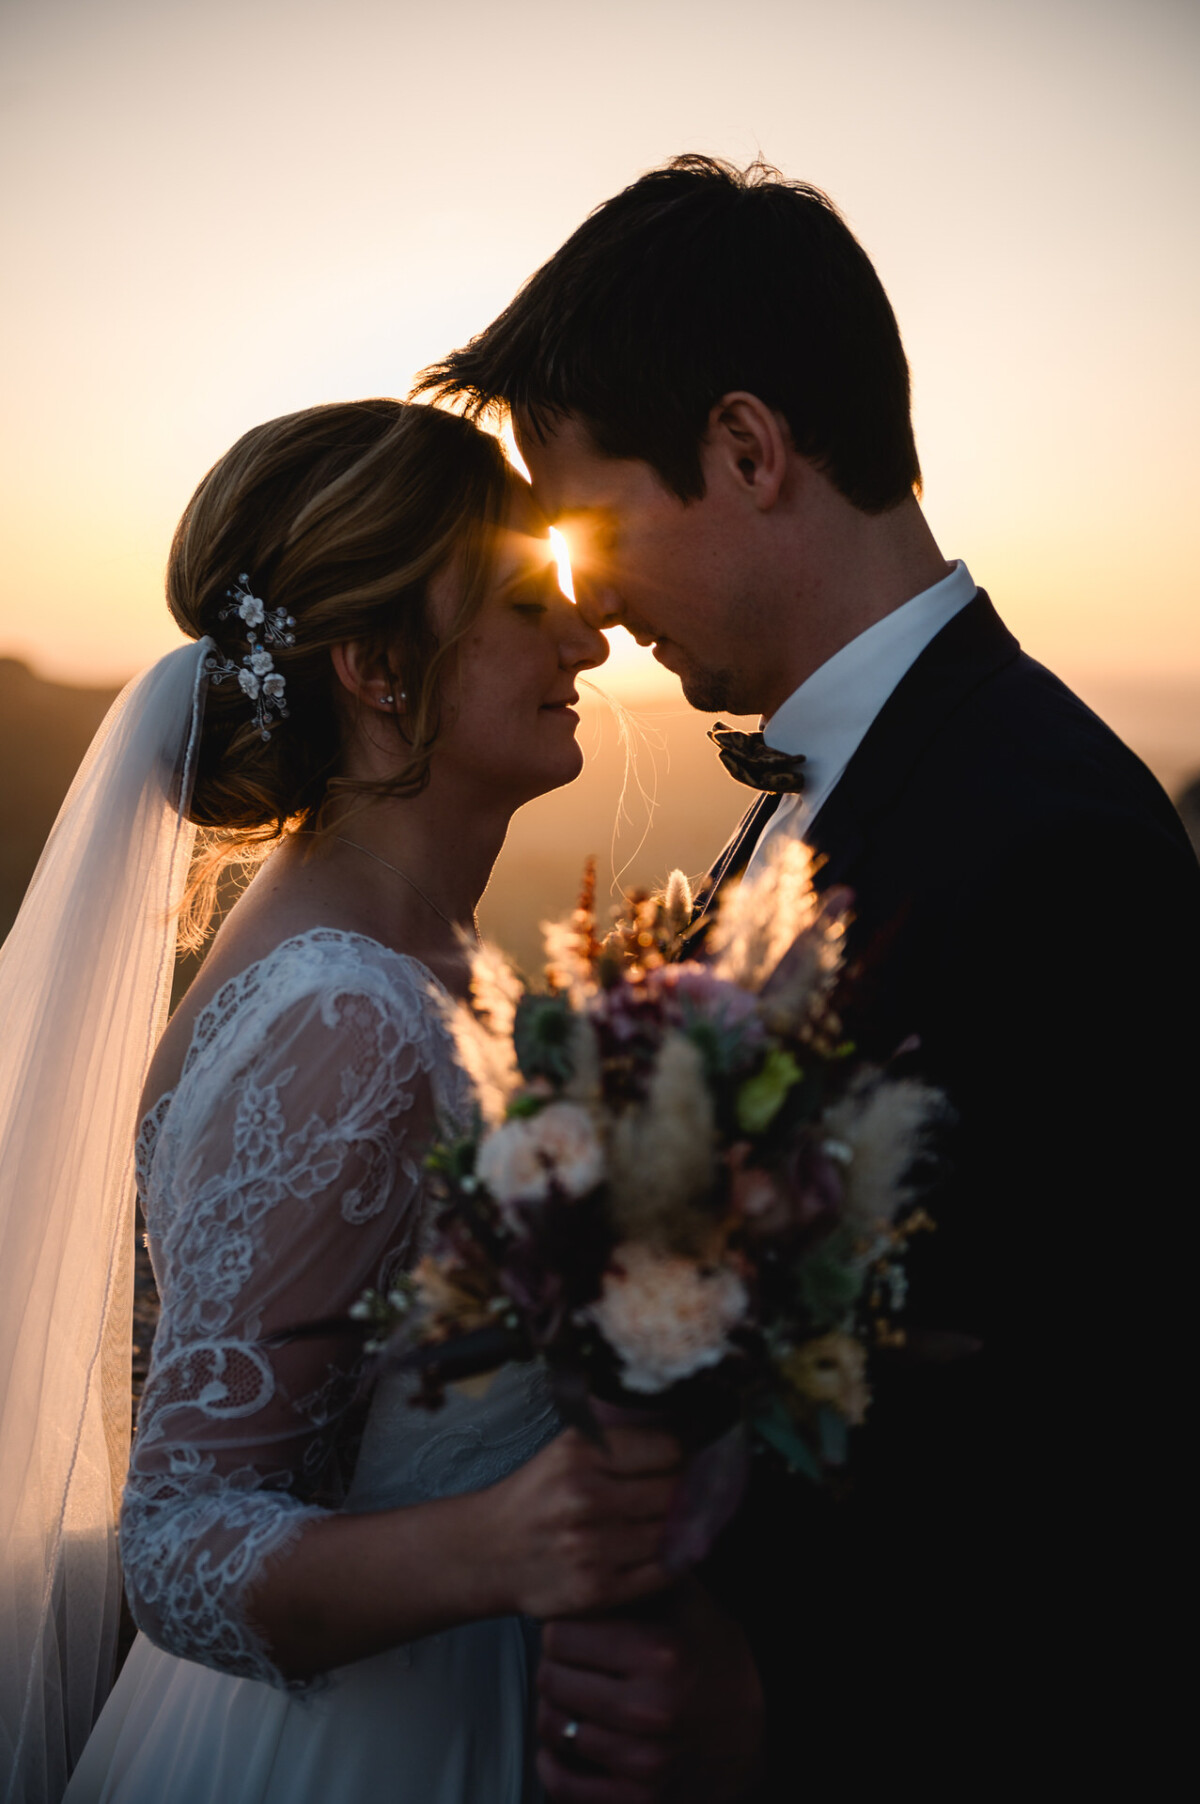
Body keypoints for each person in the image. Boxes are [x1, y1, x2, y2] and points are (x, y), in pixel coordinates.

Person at [418, 156, 1200, 1799]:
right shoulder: (802, 809)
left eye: (588, 518)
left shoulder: (1057, 844)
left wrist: (793, 1697)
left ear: (749, 449)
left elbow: (1122, 1450)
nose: (587, 596)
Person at [1, 398, 686, 1804]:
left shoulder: (407, 954)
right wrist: (509, 1542)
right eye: (523, 599)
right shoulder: (344, 1015)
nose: (590, 638)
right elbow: (180, 1545)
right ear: (379, 668)